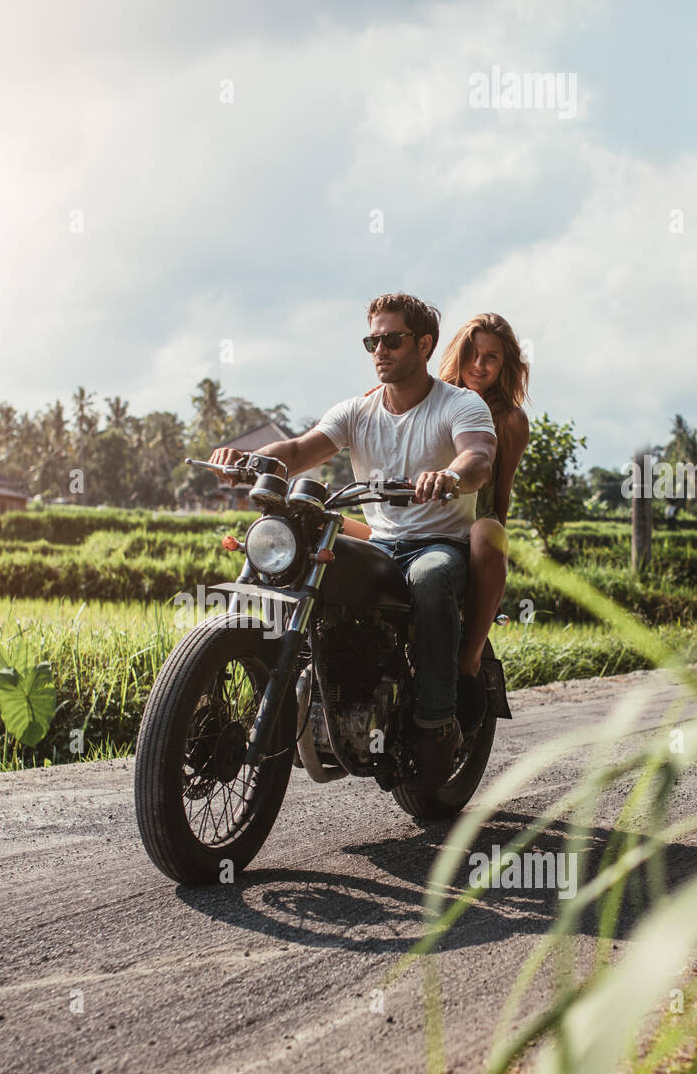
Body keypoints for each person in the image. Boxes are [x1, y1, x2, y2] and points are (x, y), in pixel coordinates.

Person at [209, 292, 495, 791]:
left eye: (391, 339)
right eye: (372, 340)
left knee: (429, 580)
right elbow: (298, 450)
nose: (379, 349)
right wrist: (250, 460)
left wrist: (450, 477)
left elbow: (478, 458)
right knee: (304, 560)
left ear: (424, 344)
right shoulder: (357, 411)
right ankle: (317, 682)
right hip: (380, 543)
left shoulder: (460, 404)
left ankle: (435, 723)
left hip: (437, 543)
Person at [436, 311, 530, 735]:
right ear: (458, 355)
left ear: (506, 365)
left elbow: (502, 489)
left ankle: (469, 660)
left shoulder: (510, 419)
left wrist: (494, 554)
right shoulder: (427, 398)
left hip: (473, 524)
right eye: (472, 354)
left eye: (491, 357)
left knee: (486, 531)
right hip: (421, 520)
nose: (479, 364)